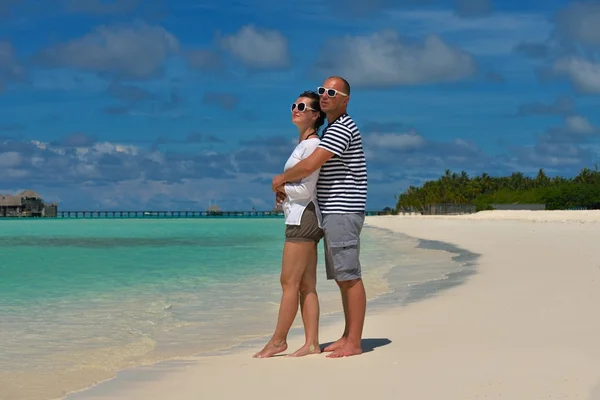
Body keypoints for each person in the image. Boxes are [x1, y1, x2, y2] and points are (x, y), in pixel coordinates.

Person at [271, 76, 367, 358]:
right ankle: (348, 335)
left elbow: (310, 165)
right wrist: (285, 188)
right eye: (323, 90)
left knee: (349, 276)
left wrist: (279, 180)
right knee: (342, 276)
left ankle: (354, 341)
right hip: (332, 211)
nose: (325, 95)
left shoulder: (341, 129)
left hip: (342, 209)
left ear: (345, 99)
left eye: (332, 92)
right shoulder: (334, 129)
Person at [254, 90, 327, 358]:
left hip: (303, 218)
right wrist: (284, 189)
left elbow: (306, 189)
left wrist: (281, 185)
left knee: (289, 282)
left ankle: (278, 341)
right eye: (294, 105)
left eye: (303, 107)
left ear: (315, 115)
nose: (295, 109)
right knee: (306, 284)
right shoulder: (305, 145)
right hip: (304, 216)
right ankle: (311, 343)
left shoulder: (310, 146)